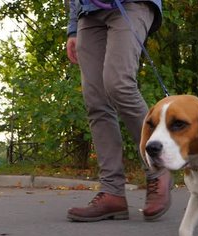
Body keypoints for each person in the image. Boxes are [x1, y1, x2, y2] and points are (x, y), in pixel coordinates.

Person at [65, 0, 171, 222]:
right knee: (96, 101)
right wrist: (73, 27)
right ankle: (112, 192)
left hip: (131, 5)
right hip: (88, 12)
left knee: (119, 85)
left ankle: (158, 168)